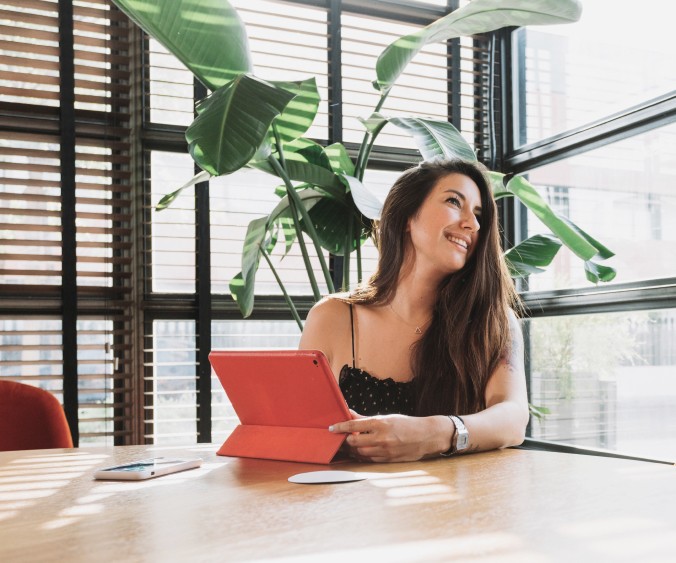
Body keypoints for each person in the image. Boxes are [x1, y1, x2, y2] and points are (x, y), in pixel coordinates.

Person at [299, 158, 528, 462]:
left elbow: (513, 419)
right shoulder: (331, 318)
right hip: (350, 503)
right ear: (407, 216)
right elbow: (299, 429)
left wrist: (433, 433)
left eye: (477, 214)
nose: (471, 224)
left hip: (459, 504)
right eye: (453, 201)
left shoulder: (494, 322)